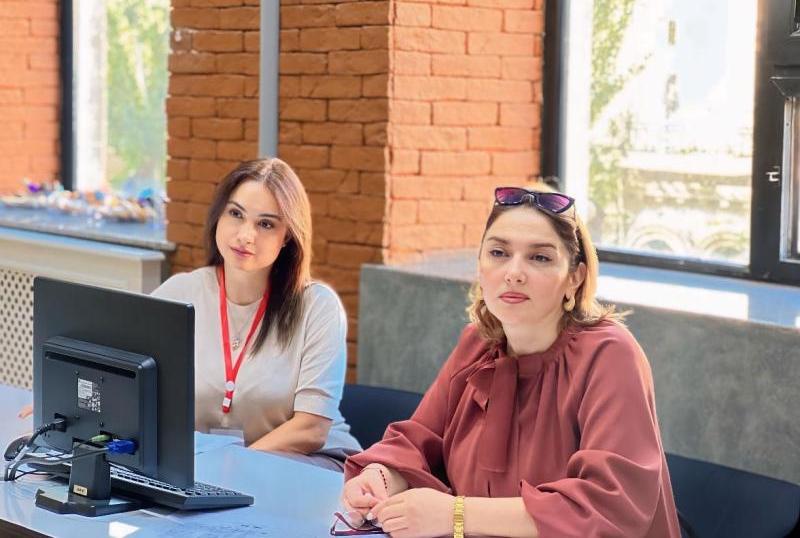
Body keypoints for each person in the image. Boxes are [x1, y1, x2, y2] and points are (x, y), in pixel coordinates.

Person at [339, 186, 680, 536]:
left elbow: (610, 507)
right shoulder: (478, 344)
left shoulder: (610, 354)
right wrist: (380, 477)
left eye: (540, 258)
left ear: (574, 278)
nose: (514, 272)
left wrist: (456, 515)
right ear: (480, 266)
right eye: (499, 252)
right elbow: (419, 441)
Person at [15, 158, 360, 471]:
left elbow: (311, 429)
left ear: (288, 237)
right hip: (206, 467)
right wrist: (60, 403)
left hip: (302, 467)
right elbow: (117, 362)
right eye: (236, 214)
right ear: (218, 216)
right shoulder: (182, 292)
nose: (246, 235)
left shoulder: (318, 308)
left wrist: (234, 466)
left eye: (266, 224)